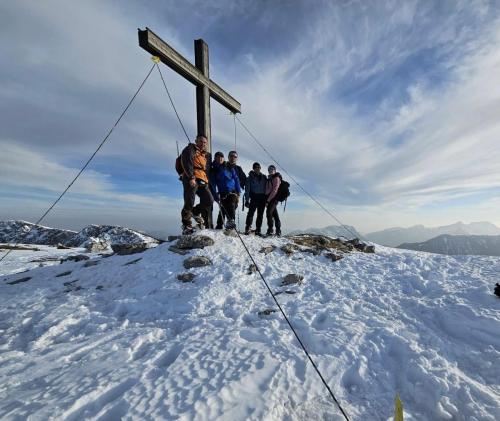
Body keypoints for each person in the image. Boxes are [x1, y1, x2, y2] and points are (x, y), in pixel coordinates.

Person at [180, 135, 213, 235]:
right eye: (201, 141)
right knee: (189, 200)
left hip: (202, 179)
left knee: (209, 200)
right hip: (192, 178)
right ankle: (186, 225)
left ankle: (194, 212)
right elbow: (187, 162)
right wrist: (191, 177)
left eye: (204, 142)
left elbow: (205, 169)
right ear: (196, 141)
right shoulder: (190, 149)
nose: (203, 144)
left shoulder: (204, 155)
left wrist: (207, 181)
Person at [210, 151, 241, 229]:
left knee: (232, 203)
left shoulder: (228, 166)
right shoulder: (213, 169)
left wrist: (239, 191)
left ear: (223, 158)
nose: (220, 159)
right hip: (222, 192)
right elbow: (213, 183)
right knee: (223, 208)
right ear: (215, 158)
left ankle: (231, 221)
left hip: (232, 190)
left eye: (221, 157)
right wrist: (215, 195)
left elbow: (236, 179)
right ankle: (219, 225)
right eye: (218, 157)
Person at [244, 162, 267, 236]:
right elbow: (247, 190)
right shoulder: (249, 178)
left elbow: (267, 188)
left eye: (259, 167)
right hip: (254, 197)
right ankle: (248, 228)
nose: (257, 169)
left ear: (260, 168)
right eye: (256, 167)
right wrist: (247, 200)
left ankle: (258, 230)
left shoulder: (264, 177)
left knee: (260, 215)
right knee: (251, 213)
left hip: (262, 198)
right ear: (253, 169)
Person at [265, 165, 282, 237]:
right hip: (269, 198)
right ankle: (278, 231)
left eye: (272, 169)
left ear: (275, 170)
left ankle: (270, 230)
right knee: (275, 214)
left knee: (269, 213)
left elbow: (275, 190)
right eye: (269, 169)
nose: (271, 170)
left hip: (274, 199)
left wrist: (268, 201)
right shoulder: (270, 178)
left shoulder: (276, 178)